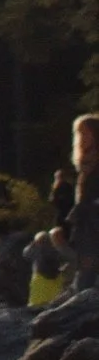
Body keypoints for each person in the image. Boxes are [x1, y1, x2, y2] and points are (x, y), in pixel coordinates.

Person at [68, 116, 99, 295]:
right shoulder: (85, 161)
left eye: (85, 133)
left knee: (89, 263)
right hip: (85, 220)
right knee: (84, 263)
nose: (82, 137)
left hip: (94, 217)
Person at [27, 226, 75, 309]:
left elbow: (26, 254)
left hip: (42, 281)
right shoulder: (55, 251)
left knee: (39, 303)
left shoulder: (34, 251)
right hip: (53, 282)